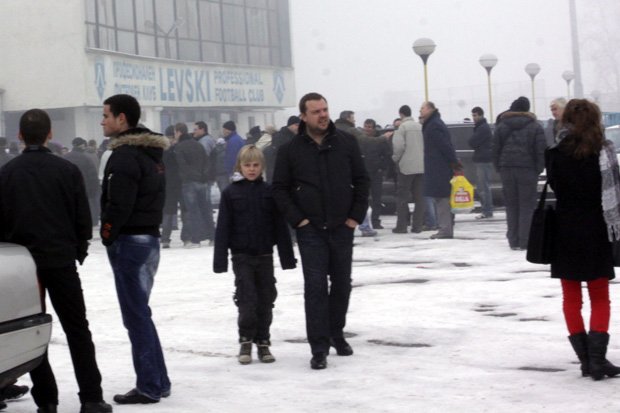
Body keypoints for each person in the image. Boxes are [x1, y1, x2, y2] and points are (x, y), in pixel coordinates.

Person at [0, 109, 112, 413]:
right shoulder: (66, 170)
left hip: (23, 267)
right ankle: (91, 397)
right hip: (61, 260)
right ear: (50, 134)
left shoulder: (7, 174)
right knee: (77, 329)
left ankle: (46, 399)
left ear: (20, 136)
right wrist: (78, 250)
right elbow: (82, 217)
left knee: (34, 329)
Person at [272, 92, 369, 370]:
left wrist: (354, 218)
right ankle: (318, 346)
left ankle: (336, 333)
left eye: (325, 109)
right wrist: (298, 220)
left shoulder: (346, 143)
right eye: (316, 111)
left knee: (341, 285)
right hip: (310, 229)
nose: (323, 115)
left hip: (341, 226)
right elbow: (279, 189)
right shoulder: (290, 150)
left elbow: (362, 180)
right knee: (315, 288)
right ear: (303, 116)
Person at [99, 94, 171, 404]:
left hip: (131, 241)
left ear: (122, 119)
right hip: (148, 238)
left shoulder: (125, 156)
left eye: (106, 115)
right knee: (141, 312)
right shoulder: (148, 154)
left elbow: (120, 203)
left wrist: (107, 233)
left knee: (136, 316)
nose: (102, 121)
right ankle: (159, 380)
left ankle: (149, 387)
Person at [546, 99, 620, 381]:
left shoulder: (554, 152)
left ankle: (586, 361)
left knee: (571, 296)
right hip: (597, 227)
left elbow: (555, 185)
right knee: (600, 295)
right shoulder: (604, 151)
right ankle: (598, 359)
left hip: (565, 227)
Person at [213, 145, 296, 365]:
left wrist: (287, 257)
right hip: (241, 255)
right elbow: (223, 228)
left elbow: (280, 226)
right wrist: (219, 259)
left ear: (262, 166)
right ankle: (246, 339)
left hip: (265, 255)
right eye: (247, 165)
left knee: (266, 299)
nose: (251, 169)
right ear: (239, 166)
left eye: (255, 165)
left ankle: (263, 341)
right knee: (247, 299)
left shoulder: (269, 192)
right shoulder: (230, 193)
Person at [493, 96, 546, 250]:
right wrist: (538, 168)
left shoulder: (501, 126)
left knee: (511, 205)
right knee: (527, 206)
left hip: (506, 169)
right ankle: (525, 240)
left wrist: (499, 167)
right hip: (527, 170)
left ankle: (513, 240)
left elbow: (495, 149)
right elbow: (540, 150)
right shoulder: (535, 127)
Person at [419, 101, 460, 239]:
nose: (420, 110)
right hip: (438, 165)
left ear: (430, 109)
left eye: (423, 108)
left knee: (442, 198)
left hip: (439, 167)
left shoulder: (434, 125)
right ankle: (446, 228)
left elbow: (444, 145)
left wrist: (454, 161)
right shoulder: (433, 123)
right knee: (441, 198)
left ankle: (445, 230)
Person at [175, 122, 213, 248]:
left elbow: (182, 165)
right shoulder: (198, 145)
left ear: (179, 132)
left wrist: (189, 176)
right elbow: (207, 162)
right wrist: (203, 175)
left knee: (193, 211)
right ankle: (213, 237)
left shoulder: (179, 147)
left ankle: (196, 239)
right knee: (206, 210)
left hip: (189, 182)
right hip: (203, 181)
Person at [392, 104, 426, 233]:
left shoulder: (402, 128)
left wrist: (396, 159)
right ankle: (417, 226)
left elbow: (399, 147)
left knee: (402, 197)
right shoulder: (420, 127)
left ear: (401, 114)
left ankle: (402, 226)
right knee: (419, 198)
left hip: (406, 167)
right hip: (421, 166)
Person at [362, 118, 392, 230]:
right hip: (364, 173)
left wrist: (381, 167)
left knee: (377, 198)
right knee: (364, 198)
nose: (367, 129)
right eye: (366, 126)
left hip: (376, 173)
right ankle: (365, 221)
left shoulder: (381, 140)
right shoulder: (362, 140)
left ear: (374, 128)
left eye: (369, 127)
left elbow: (387, 155)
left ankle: (375, 221)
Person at [65, 137, 101, 226]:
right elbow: (92, 175)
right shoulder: (87, 157)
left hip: (69, 187)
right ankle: (92, 222)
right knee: (89, 205)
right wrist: (94, 188)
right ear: (82, 145)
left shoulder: (65, 157)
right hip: (85, 186)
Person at [468, 106, 494, 219]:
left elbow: (472, 141)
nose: (473, 118)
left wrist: (473, 141)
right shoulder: (481, 127)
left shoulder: (482, 128)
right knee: (482, 186)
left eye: (475, 115)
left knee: (483, 187)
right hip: (482, 159)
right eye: (472, 115)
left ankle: (487, 211)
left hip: (483, 159)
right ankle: (486, 210)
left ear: (480, 115)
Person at [161, 125, 181, 248]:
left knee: (168, 211)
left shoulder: (162, 151)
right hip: (173, 183)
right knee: (169, 210)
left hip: (167, 183)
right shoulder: (172, 150)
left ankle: (165, 238)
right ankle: (165, 237)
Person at [264, 116, 299, 183]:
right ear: (290, 125)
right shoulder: (282, 138)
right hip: (281, 175)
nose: (298, 127)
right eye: (296, 125)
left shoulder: (292, 137)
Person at [222, 120, 245, 187]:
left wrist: (230, 173)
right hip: (240, 170)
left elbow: (231, 158)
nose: (223, 132)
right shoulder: (238, 138)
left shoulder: (232, 141)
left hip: (235, 172)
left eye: (224, 130)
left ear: (228, 130)